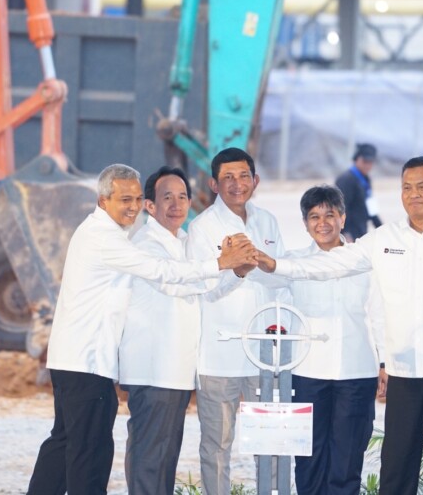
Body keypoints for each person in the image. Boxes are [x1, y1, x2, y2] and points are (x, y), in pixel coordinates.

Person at [258, 156, 423, 495]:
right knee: (396, 468)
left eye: (422, 187)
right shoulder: (382, 239)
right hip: (404, 375)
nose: (414, 194)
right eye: (407, 187)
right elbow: (330, 264)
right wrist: (274, 264)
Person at [26, 163, 256, 495]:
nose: (133, 206)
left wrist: (231, 270)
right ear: (103, 200)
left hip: (82, 360)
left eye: (135, 198)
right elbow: (161, 272)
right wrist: (220, 262)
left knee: (66, 443)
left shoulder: (115, 234)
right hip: (87, 361)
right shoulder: (106, 238)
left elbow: (190, 283)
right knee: (89, 452)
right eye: (125, 199)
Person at [119, 166, 233, 495]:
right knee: (149, 459)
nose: (177, 204)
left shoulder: (183, 242)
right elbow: (174, 281)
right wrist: (220, 263)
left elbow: (206, 288)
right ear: (149, 205)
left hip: (176, 372)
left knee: (165, 459)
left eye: (182, 197)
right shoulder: (145, 244)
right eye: (167, 197)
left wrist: (236, 269)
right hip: (153, 371)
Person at [186, 147, 288, 495]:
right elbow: (205, 290)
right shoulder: (201, 228)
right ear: (214, 184)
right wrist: (239, 271)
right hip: (219, 357)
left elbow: (281, 278)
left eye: (244, 176)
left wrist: (256, 265)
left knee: (269, 443)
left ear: (255, 180)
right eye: (227, 177)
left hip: (264, 356)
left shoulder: (267, 221)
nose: (237, 183)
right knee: (217, 446)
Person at [281, 185, 383, 495]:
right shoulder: (292, 263)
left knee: (347, 462)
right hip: (307, 373)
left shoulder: (364, 261)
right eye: (314, 216)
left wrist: (384, 363)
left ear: (343, 218)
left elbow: (380, 313)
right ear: (305, 223)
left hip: (357, 373)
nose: (322, 223)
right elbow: (264, 281)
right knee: (308, 460)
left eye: (330, 215)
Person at [335, 143, 382, 241]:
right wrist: (344, 233)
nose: (367, 165)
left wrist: (381, 228)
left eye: (370, 162)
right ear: (356, 159)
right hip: (348, 234)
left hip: (361, 230)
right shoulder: (346, 179)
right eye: (365, 161)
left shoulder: (366, 179)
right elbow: (339, 208)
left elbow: (370, 206)